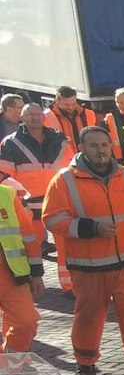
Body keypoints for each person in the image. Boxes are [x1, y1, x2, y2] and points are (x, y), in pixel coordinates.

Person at [40, 126, 124, 375]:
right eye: (94, 146)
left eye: (104, 145)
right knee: (89, 318)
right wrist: (91, 228)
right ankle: (85, 362)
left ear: (111, 146)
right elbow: (52, 219)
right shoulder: (64, 181)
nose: (101, 150)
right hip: (89, 266)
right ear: (82, 148)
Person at [0, 103, 74, 292]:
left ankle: (70, 285)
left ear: (44, 117)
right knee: (30, 244)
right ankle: (31, 281)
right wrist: (17, 202)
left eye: (38, 114)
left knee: (66, 245)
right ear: (22, 118)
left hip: (58, 201)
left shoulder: (60, 140)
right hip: (28, 205)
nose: (35, 117)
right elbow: (6, 177)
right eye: (30, 114)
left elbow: (73, 170)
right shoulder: (10, 143)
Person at [0, 176, 41, 351]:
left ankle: (10, 366)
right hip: (11, 275)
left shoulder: (7, 194)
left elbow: (28, 236)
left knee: (27, 323)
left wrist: (37, 273)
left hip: (12, 275)